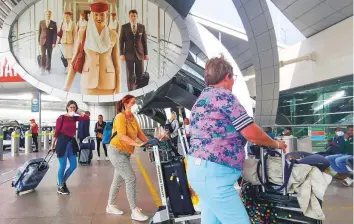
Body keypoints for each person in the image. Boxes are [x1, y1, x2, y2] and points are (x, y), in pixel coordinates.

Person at [186, 56, 287, 224]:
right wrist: (276, 143)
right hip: (215, 177)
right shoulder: (224, 97)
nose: (233, 82)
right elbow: (251, 133)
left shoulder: (201, 101)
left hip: (198, 172)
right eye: (233, 78)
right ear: (227, 77)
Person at [106, 94, 149, 221]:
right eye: (133, 102)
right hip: (116, 151)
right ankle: (134, 210)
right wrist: (137, 144)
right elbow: (121, 136)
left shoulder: (133, 118)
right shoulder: (120, 117)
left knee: (117, 181)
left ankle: (110, 205)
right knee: (130, 178)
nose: (135, 105)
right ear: (126, 104)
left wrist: (150, 142)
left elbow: (140, 134)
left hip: (125, 154)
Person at [64, 2, 120, 95]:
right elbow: (73, 63)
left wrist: (118, 90)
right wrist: (66, 88)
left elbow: (117, 65)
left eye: (102, 14)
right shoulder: (83, 33)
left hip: (109, 84)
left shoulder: (113, 35)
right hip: (88, 83)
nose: (99, 18)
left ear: (107, 15)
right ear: (90, 15)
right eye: (96, 14)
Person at [50, 100, 89, 195]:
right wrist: (52, 145)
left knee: (73, 165)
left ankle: (61, 182)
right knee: (62, 166)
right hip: (62, 142)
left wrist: (77, 112)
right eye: (71, 107)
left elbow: (87, 117)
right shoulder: (61, 118)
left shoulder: (75, 118)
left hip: (71, 143)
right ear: (67, 107)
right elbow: (57, 132)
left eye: (74, 107)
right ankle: (60, 186)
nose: (72, 109)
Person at [119, 9, 148, 91]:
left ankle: (139, 90)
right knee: (130, 75)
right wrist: (121, 54)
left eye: (135, 16)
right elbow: (121, 41)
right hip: (128, 54)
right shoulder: (124, 27)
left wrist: (146, 54)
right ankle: (130, 91)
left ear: (137, 17)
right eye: (131, 16)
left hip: (140, 54)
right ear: (129, 17)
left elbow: (144, 41)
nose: (133, 17)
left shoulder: (142, 27)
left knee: (140, 74)